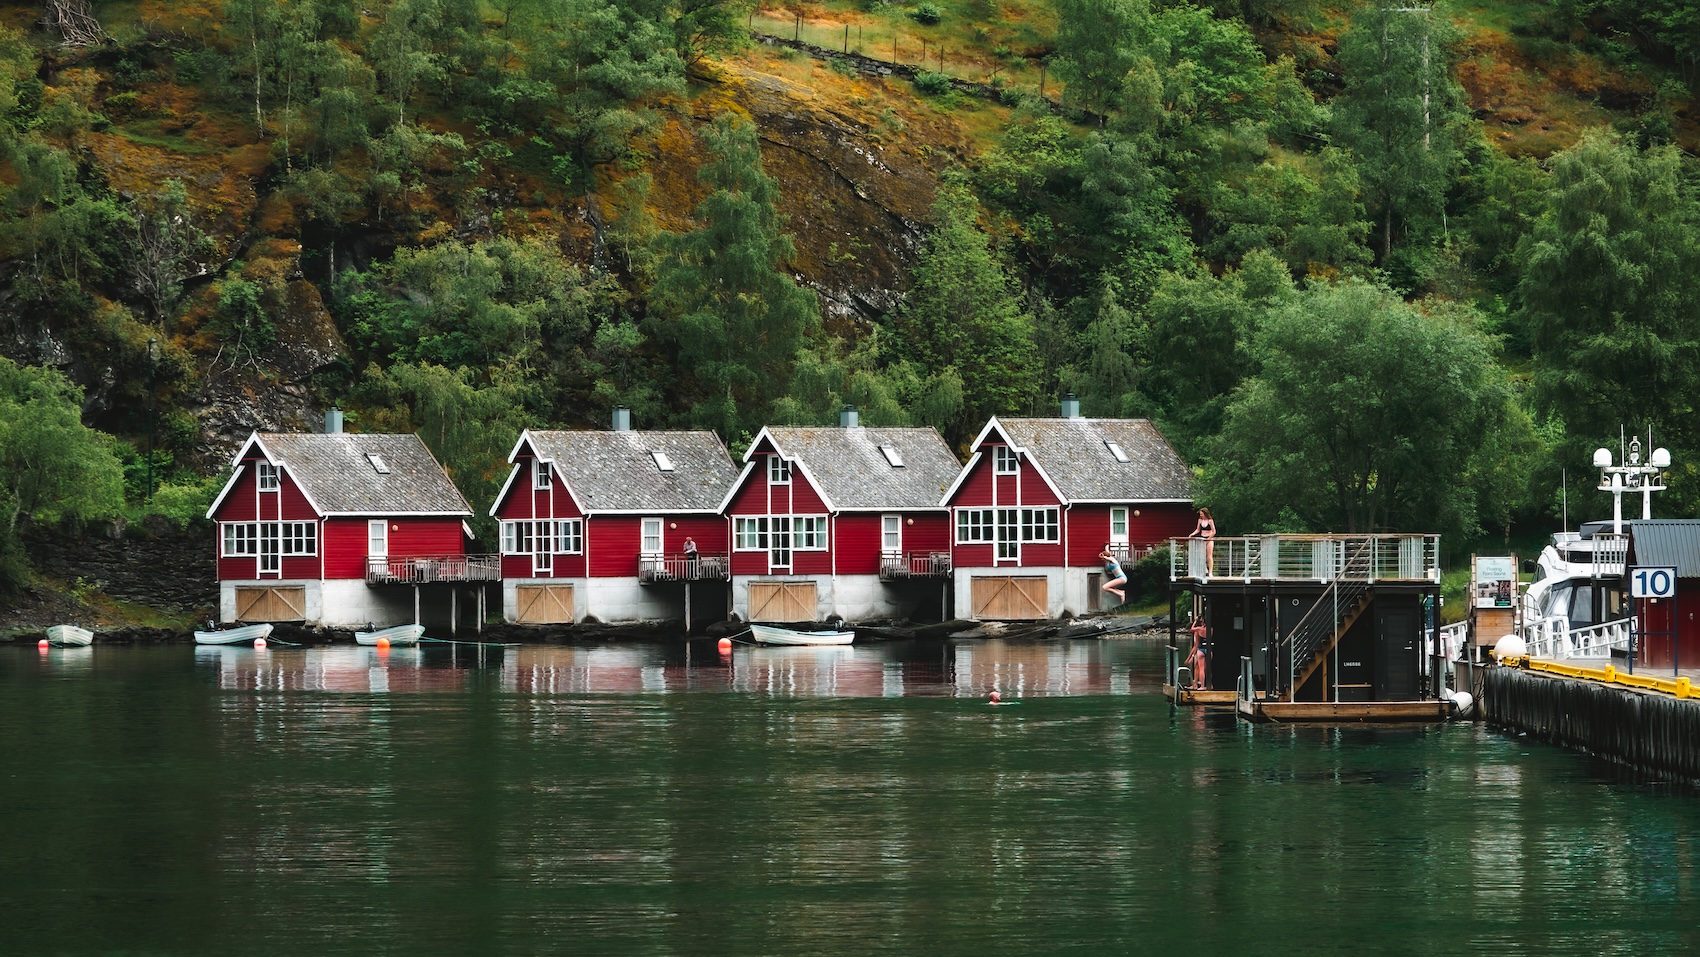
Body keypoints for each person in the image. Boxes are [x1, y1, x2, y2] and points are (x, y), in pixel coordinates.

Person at [1190, 507, 1217, 574]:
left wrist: (1209, 538)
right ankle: (1205, 569)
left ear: (1205, 514)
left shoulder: (1210, 521)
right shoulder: (1200, 520)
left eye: (1202, 514)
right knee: (1201, 555)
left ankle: (1210, 572)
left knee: (1209, 556)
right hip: (1202, 538)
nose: (1201, 515)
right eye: (1200, 514)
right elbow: (1198, 529)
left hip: (1209, 538)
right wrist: (1192, 534)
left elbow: (1214, 531)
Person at [1187, 615, 1209, 691]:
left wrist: (1191, 657)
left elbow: (1196, 645)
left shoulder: (1198, 630)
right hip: (1209, 649)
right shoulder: (1210, 629)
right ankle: (1199, 683)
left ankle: (1200, 685)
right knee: (1205, 668)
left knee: (1201, 668)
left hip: (1200, 650)